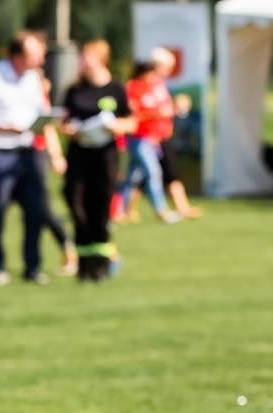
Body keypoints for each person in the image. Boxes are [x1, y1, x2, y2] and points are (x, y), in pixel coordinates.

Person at [0, 31, 55, 285]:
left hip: (27, 152)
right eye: (34, 55)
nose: (40, 60)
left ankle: (33, 266)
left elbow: (40, 110)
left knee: (35, 209)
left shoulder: (33, 79)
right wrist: (3, 126)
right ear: (18, 55)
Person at [60, 39, 135, 282]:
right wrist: (69, 129)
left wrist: (117, 126)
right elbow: (62, 120)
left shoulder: (115, 89)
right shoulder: (74, 90)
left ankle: (101, 264)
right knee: (77, 204)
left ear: (101, 59)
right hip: (80, 153)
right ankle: (83, 264)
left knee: (101, 208)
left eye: (86, 55)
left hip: (105, 155)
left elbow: (131, 121)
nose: (82, 61)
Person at [121, 50, 183, 226]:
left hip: (152, 137)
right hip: (138, 136)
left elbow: (162, 107)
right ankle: (161, 210)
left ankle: (120, 210)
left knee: (133, 177)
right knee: (153, 172)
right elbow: (134, 112)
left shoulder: (156, 85)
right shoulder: (133, 87)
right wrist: (156, 114)